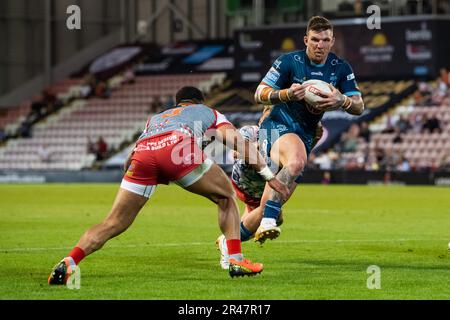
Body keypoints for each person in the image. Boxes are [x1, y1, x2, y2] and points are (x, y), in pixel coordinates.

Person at [48, 86, 289, 284]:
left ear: (177, 104)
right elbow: (238, 143)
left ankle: (69, 262)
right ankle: (236, 260)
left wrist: (137, 174)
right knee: (226, 196)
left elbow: (128, 160)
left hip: (143, 155)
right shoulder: (208, 112)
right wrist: (269, 176)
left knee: (114, 222)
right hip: (177, 147)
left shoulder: (156, 118)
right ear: (198, 101)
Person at [251, 16, 364, 244]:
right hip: (277, 125)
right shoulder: (288, 62)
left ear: (332, 42)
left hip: (306, 134)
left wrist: (341, 100)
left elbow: (359, 106)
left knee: (268, 205)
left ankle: (229, 241)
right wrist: (286, 94)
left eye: (325, 40)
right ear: (306, 40)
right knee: (296, 163)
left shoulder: (340, 68)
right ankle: (268, 222)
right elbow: (258, 94)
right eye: (315, 39)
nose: (319, 45)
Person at [216, 108, 323, 269]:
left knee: (274, 217)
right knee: (264, 211)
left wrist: (314, 138)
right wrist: (260, 146)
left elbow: (300, 154)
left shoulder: (290, 134)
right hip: (248, 181)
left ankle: (231, 238)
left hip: (270, 181)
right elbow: (236, 154)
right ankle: (228, 241)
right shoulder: (251, 131)